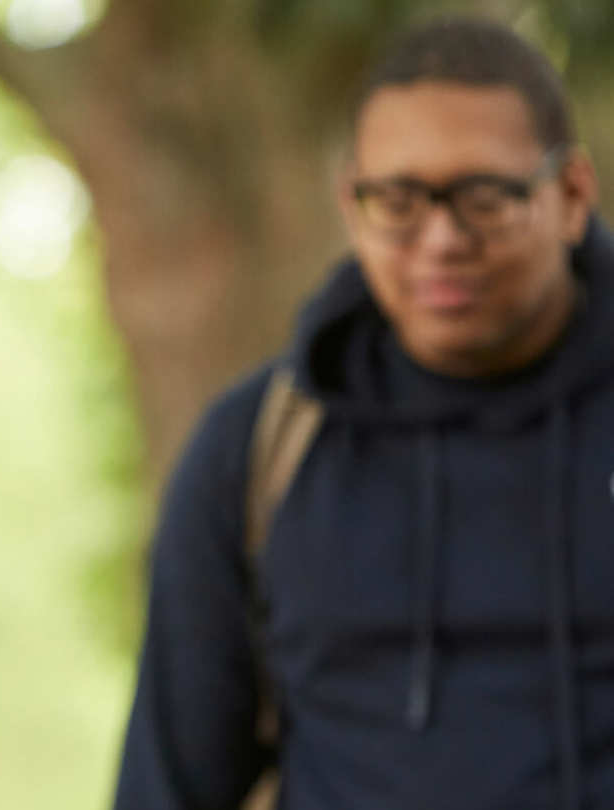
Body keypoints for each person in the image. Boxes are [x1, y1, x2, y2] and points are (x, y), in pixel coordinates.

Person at [114, 15, 614, 810]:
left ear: (572, 195)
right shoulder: (257, 449)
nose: (442, 239)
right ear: (353, 203)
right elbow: (168, 786)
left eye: (485, 196)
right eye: (401, 199)